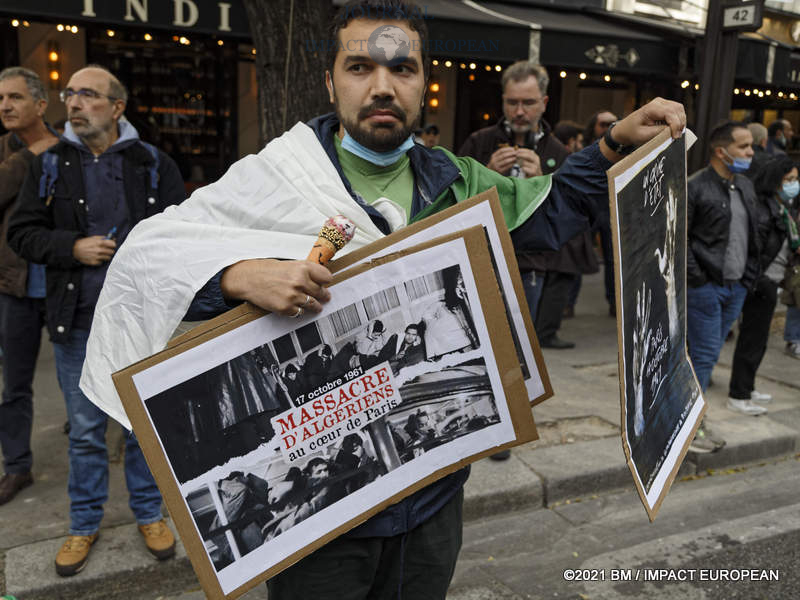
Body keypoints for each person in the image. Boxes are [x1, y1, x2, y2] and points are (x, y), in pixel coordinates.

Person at [79, 1, 685, 597]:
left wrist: (612, 145)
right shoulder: (277, 176)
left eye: (403, 68)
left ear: (425, 80)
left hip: (433, 499)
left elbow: (548, 213)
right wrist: (239, 275)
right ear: (330, 79)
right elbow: (149, 258)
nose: (382, 86)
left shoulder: (458, 179)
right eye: (360, 67)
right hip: (323, 531)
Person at [6, 65, 185, 576]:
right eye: (69, 94)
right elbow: (22, 233)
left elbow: (185, 235)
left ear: (117, 107)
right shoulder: (50, 164)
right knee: (85, 431)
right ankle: (83, 524)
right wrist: (71, 246)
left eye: (88, 94)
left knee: (139, 427)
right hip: (77, 323)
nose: (75, 103)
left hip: (141, 323)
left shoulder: (152, 163)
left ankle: (149, 514)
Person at [458, 62, 590, 349]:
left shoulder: (558, 152)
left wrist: (543, 182)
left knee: (516, 349)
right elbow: (452, 203)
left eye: (528, 103)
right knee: (473, 345)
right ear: (502, 101)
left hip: (530, 265)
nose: (519, 112)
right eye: (512, 102)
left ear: (543, 103)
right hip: (479, 259)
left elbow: (569, 218)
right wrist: (487, 172)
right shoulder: (479, 142)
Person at [0, 67, 59, 506]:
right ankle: (17, 465)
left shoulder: (70, 150)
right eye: (1, 98)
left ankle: (88, 431)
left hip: (63, 284)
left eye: (16, 97)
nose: (5, 106)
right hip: (14, 287)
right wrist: (34, 154)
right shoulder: (8, 152)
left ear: (41, 105)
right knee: (15, 382)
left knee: (79, 374)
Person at [686, 121, 760, 453]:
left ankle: (689, 418)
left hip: (736, 287)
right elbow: (679, 239)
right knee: (703, 356)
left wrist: (747, 278)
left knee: (709, 353)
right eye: (744, 147)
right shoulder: (696, 187)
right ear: (721, 151)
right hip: (705, 287)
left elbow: (751, 236)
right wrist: (698, 280)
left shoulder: (745, 185)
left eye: (751, 147)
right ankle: (693, 426)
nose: (750, 152)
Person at [728, 156, 800, 416]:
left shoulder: (784, 207)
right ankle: (739, 394)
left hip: (772, 281)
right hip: (761, 282)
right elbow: (756, 249)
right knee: (752, 339)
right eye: (788, 179)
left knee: (758, 341)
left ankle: (748, 386)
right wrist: (757, 280)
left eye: (795, 179)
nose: (794, 184)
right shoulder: (765, 209)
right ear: (775, 181)